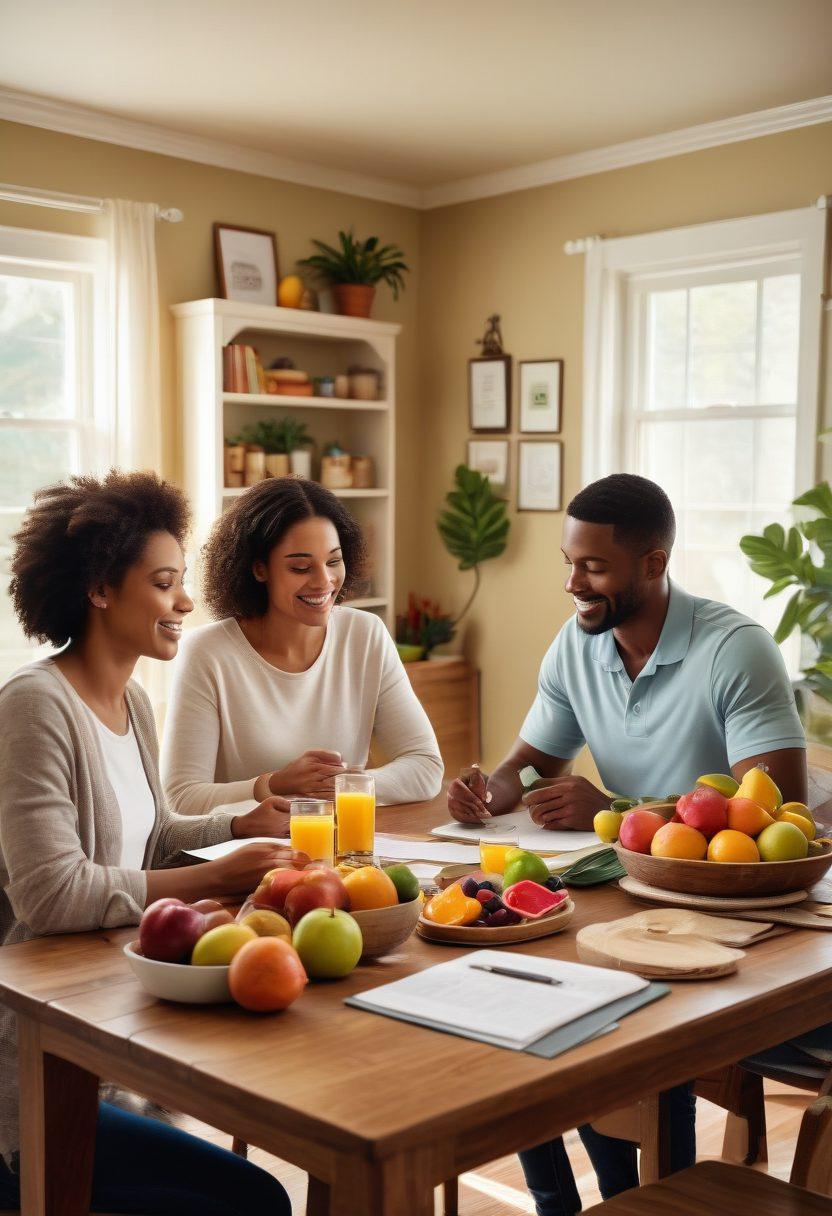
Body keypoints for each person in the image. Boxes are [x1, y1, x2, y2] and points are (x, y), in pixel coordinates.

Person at [447, 473, 808, 1216]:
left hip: (749, 920)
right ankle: (567, 1204)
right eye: (569, 562)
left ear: (653, 562)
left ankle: (634, 1198)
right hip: (635, 897)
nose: (572, 582)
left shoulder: (736, 651)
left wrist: (613, 806)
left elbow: (772, 821)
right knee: (518, 999)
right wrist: (493, 790)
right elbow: (532, 763)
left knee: (607, 1022)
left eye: (592, 567)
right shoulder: (578, 646)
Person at [0, 471, 294, 1215]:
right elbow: (52, 893)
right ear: (100, 589)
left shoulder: (131, 698)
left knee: (257, 1196)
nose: (186, 603)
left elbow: (153, 836)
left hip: (103, 1034)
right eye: (165, 583)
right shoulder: (35, 706)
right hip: (28, 1077)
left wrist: (242, 823)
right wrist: (217, 878)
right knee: (253, 1205)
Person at [161, 477, 443, 815]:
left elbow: (425, 765)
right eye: (300, 567)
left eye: (333, 561)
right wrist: (273, 784)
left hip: (339, 852)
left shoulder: (365, 635)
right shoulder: (207, 653)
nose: (324, 581)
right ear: (259, 569)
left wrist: (341, 787)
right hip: (241, 856)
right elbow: (181, 799)